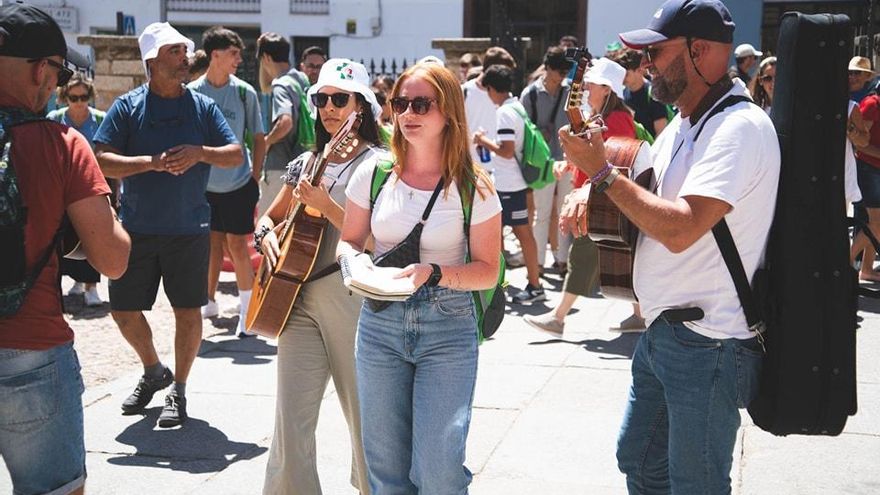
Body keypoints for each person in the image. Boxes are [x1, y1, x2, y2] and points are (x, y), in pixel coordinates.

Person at [559, 0, 779, 491]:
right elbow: (643, 185)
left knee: (694, 483)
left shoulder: (737, 128)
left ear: (700, 52)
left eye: (656, 52)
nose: (646, 64)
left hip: (709, 341)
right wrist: (589, 186)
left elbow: (681, 228)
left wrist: (600, 171)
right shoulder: (684, 121)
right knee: (638, 461)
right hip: (667, 330)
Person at [337, 61, 501, 494]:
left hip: (447, 327)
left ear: (448, 112)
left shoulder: (474, 186)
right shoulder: (372, 174)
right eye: (399, 102)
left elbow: (488, 271)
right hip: (380, 323)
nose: (407, 113)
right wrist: (357, 267)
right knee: (386, 470)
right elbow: (350, 241)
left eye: (421, 104)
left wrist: (435, 274)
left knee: (438, 472)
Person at [0, 4, 131, 495]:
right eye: (57, 72)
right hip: (32, 347)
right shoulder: (64, 144)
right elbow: (112, 260)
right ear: (40, 70)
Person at [93, 22, 242, 428]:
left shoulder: (202, 107)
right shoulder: (127, 107)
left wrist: (200, 153)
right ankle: (152, 369)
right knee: (123, 310)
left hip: (189, 228)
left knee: (187, 312)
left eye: (183, 51)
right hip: (136, 229)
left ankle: (178, 388)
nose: (184, 59)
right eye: (174, 52)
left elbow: (235, 154)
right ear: (151, 62)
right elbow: (100, 158)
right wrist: (150, 163)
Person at [258, 58, 383, 495]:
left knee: (365, 417)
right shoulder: (306, 161)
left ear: (362, 106)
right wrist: (265, 237)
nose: (328, 107)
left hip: (352, 297)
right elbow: (269, 219)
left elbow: (379, 242)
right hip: (295, 296)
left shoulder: (381, 164)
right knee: (290, 420)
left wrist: (326, 204)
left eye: (339, 98)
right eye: (321, 98)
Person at [526, 57, 645, 336]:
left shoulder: (617, 119)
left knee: (582, 257)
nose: (585, 89)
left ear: (607, 89)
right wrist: (568, 164)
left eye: (591, 84)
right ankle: (639, 315)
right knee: (620, 259)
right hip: (598, 197)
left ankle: (558, 318)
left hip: (600, 200)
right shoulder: (602, 118)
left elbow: (617, 164)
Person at [188, 26, 266, 336]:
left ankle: (248, 315)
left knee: (238, 247)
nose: (239, 59)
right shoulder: (193, 93)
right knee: (211, 246)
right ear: (215, 55)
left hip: (237, 183)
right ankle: (208, 302)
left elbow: (258, 138)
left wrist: (255, 175)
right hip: (204, 186)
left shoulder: (245, 92)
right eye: (234, 53)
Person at [473, 64, 545, 303]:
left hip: (509, 184)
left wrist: (483, 140)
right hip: (513, 183)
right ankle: (505, 285)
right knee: (507, 236)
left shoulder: (504, 112)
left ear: (492, 89)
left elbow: (506, 151)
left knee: (519, 234)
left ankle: (532, 286)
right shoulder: (516, 107)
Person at [47, 72, 109, 307]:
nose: (80, 102)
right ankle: (74, 280)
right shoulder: (54, 118)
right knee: (63, 237)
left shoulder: (100, 119)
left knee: (91, 236)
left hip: (91, 187)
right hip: (61, 189)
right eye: (74, 97)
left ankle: (91, 286)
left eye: (84, 97)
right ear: (65, 97)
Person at [520, 46, 575, 277]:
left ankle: (563, 260)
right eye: (559, 70)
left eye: (566, 70)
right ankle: (539, 262)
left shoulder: (571, 91)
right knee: (541, 213)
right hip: (542, 162)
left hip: (568, 158)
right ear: (548, 68)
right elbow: (523, 131)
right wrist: (538, 133)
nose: (563, 74)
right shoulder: (530, 94)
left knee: (565, 211)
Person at [257, 32, 312, 215]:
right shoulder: (300, 79)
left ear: (265, 57)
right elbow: (265, 87)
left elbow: (285, 121)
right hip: (303, 163)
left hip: (279, 166)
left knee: (269, 226)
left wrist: (266, 142)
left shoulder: (281, 85)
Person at [613, 48, 670, 137]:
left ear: (639, 70)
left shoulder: (653, 94)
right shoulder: (622, 95)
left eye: (626, 74)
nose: (622, 78)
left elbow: (661, 132)